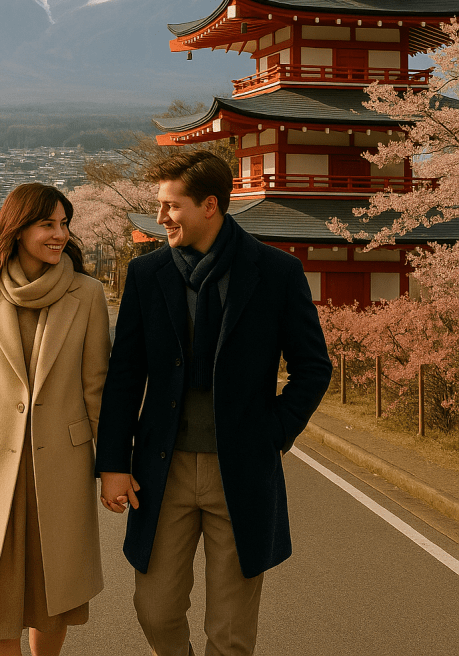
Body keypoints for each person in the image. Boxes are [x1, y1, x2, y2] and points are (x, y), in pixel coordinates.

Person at [96, 150, 332, 656]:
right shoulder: (147, 275)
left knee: (229, 632)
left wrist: (273, 433)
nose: (160, 217)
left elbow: (313, 368)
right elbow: (124, 376)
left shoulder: (276, 272)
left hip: (241, 470)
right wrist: (113, 463)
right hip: (162, 469)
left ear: (209, 206)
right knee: (154, 608)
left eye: (170, 206)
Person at [0, 182, 111, 656]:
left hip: (62, 470)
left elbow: (98, 390)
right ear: (18, 228)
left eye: (64, 223)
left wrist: (114, 465)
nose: (60, 234)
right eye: (47, 224)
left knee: (55, 599)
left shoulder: (86, 293)